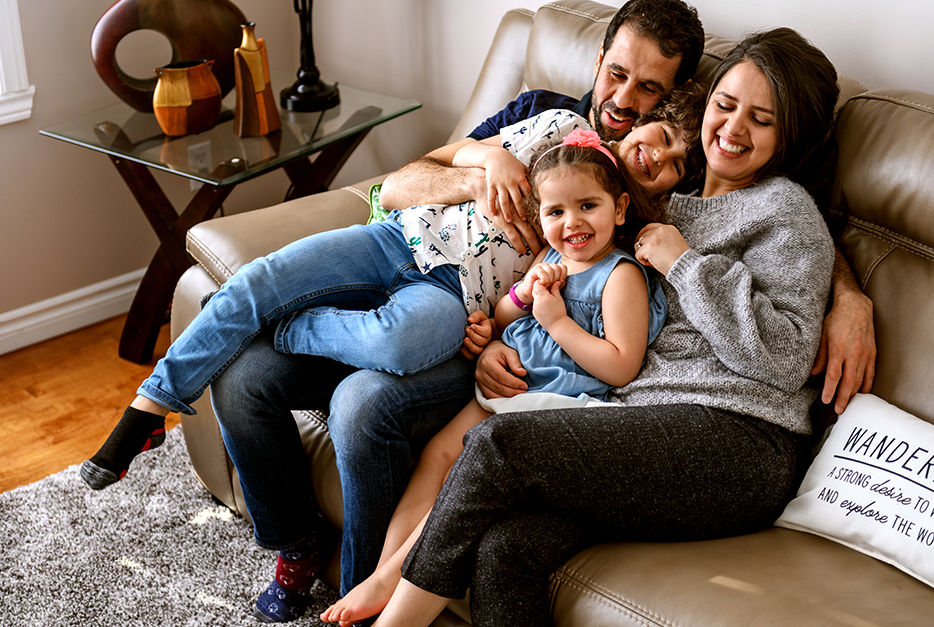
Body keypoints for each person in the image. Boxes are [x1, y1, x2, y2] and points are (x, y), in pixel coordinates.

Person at [366, 27, 841, 627]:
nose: (733, 128)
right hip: (633, 421)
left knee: (494, 447)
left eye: (762, 119)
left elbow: (785, 358)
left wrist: (685, 265)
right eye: (725, 105)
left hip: (742, 443)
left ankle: (390, 604)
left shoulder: (787, 213)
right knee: (506, 549)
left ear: (789, 136)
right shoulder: (662, 198)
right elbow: (585, 302)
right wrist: (504, 344)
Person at [320, 128, 667, 625]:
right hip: (509, 388)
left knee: (465, 475)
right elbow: (507, 316)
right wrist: (510, 308)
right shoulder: (549, 259)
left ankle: (390, 579)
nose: (573, 223)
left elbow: (620, 363)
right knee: (440, 453)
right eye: (555, 212)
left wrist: (557, 321)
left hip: (558, 404)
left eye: (588, 205)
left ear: (620, 207)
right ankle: (381, 574)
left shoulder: (620, 275)